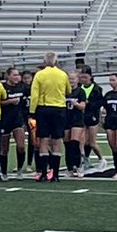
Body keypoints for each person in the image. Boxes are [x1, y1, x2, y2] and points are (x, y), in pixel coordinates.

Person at [29, 50, 70, 182]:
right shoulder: (63, 75)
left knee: (44, 140)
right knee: (57, 140)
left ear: (45, 61)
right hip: (59, 108)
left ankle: (44, 173)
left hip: (44, 108)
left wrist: (32, 111)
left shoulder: (39, 75)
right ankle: (56, 174)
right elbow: (68, 90)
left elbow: (35, 95)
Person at [0, 66, 28, 178]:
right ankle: (4, 172)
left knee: (21, 146)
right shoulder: (3, 87)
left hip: (18, 119)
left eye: (18, 75)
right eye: (14, 75)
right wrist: (10, 101)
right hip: (5, 120)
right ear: (8, 76)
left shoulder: (22, 87)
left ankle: (20, 169)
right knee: (4, 148)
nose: (17, 77)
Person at [79, 66, 106, 171]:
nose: (83, 80)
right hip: (82, 116)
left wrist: (89, 103)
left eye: (85, 77)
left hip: (92, 116)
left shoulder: (96, 89)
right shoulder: (79, 88)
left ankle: (101, 159)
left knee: (92, 142)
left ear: (90, 77)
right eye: (82, 77)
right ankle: (84, 159)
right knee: (82, 140)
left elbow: (100, 102)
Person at [64, 70, 87, 178]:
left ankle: (78, 165)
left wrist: (76, 104)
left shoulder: (80, 92)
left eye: (73, 79)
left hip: (77, 119)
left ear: (77, 80)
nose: (71, 81)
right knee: (67, 144)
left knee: (74, 142)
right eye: (69, 79)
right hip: (66, 119)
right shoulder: (64, 91)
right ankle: (69, 167)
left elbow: (83, 106)